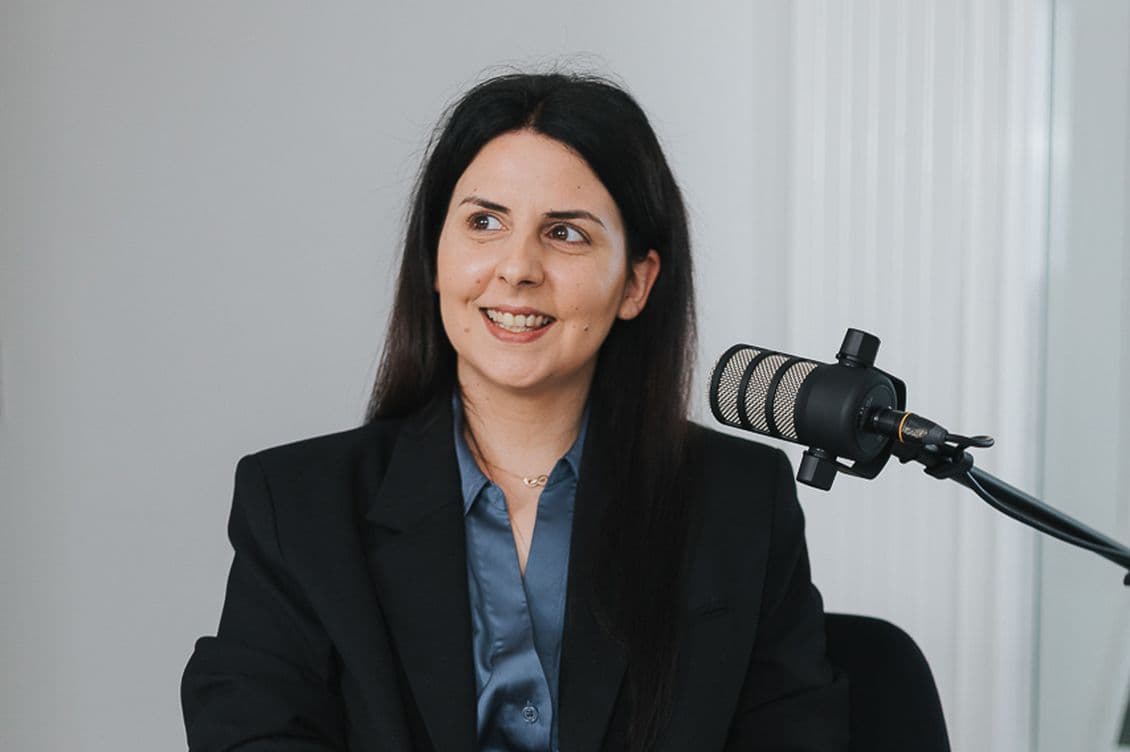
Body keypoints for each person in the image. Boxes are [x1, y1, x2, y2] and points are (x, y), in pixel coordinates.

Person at [181, 71, 849, 751]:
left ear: (636, 284)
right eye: (484, 222)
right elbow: (250, 733)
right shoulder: (299, 506)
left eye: (565, 233)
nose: (517, 267)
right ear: (434, 256)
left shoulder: (738, 504)